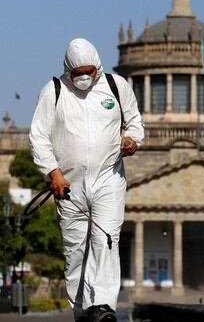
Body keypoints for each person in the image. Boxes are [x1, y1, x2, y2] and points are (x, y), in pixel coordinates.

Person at [30, 38, 144, 321]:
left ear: (98, 67)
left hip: (108, 178)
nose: (83, 77)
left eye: (89, 72)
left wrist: (132, 140)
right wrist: (53, 173)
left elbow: (135, 122)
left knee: (106, 238)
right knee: (75, 249)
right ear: (67, 69)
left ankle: (102, 306)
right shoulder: (53, 91)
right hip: (69, 185)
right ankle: (83, 312)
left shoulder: (117, 87)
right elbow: (39, 137)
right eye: (77, 72)